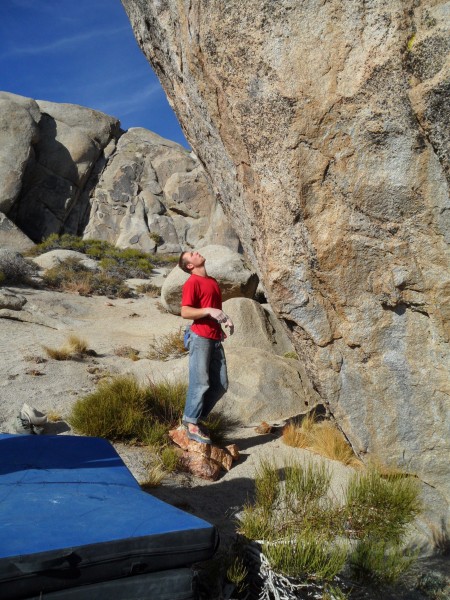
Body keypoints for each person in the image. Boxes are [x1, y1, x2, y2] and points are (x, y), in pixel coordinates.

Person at [178, 250, 234, 444]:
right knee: (200, 382)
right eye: (192, 254)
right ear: (190, 266)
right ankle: (191, 422)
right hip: (200, 337)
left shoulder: (212, 281)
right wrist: (209, 311)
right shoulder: (192, 282)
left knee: (220, 384)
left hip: (214, 336)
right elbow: (185, 311)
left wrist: (223, 320)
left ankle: (196, 418)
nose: (196, 252)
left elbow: (213, 310)